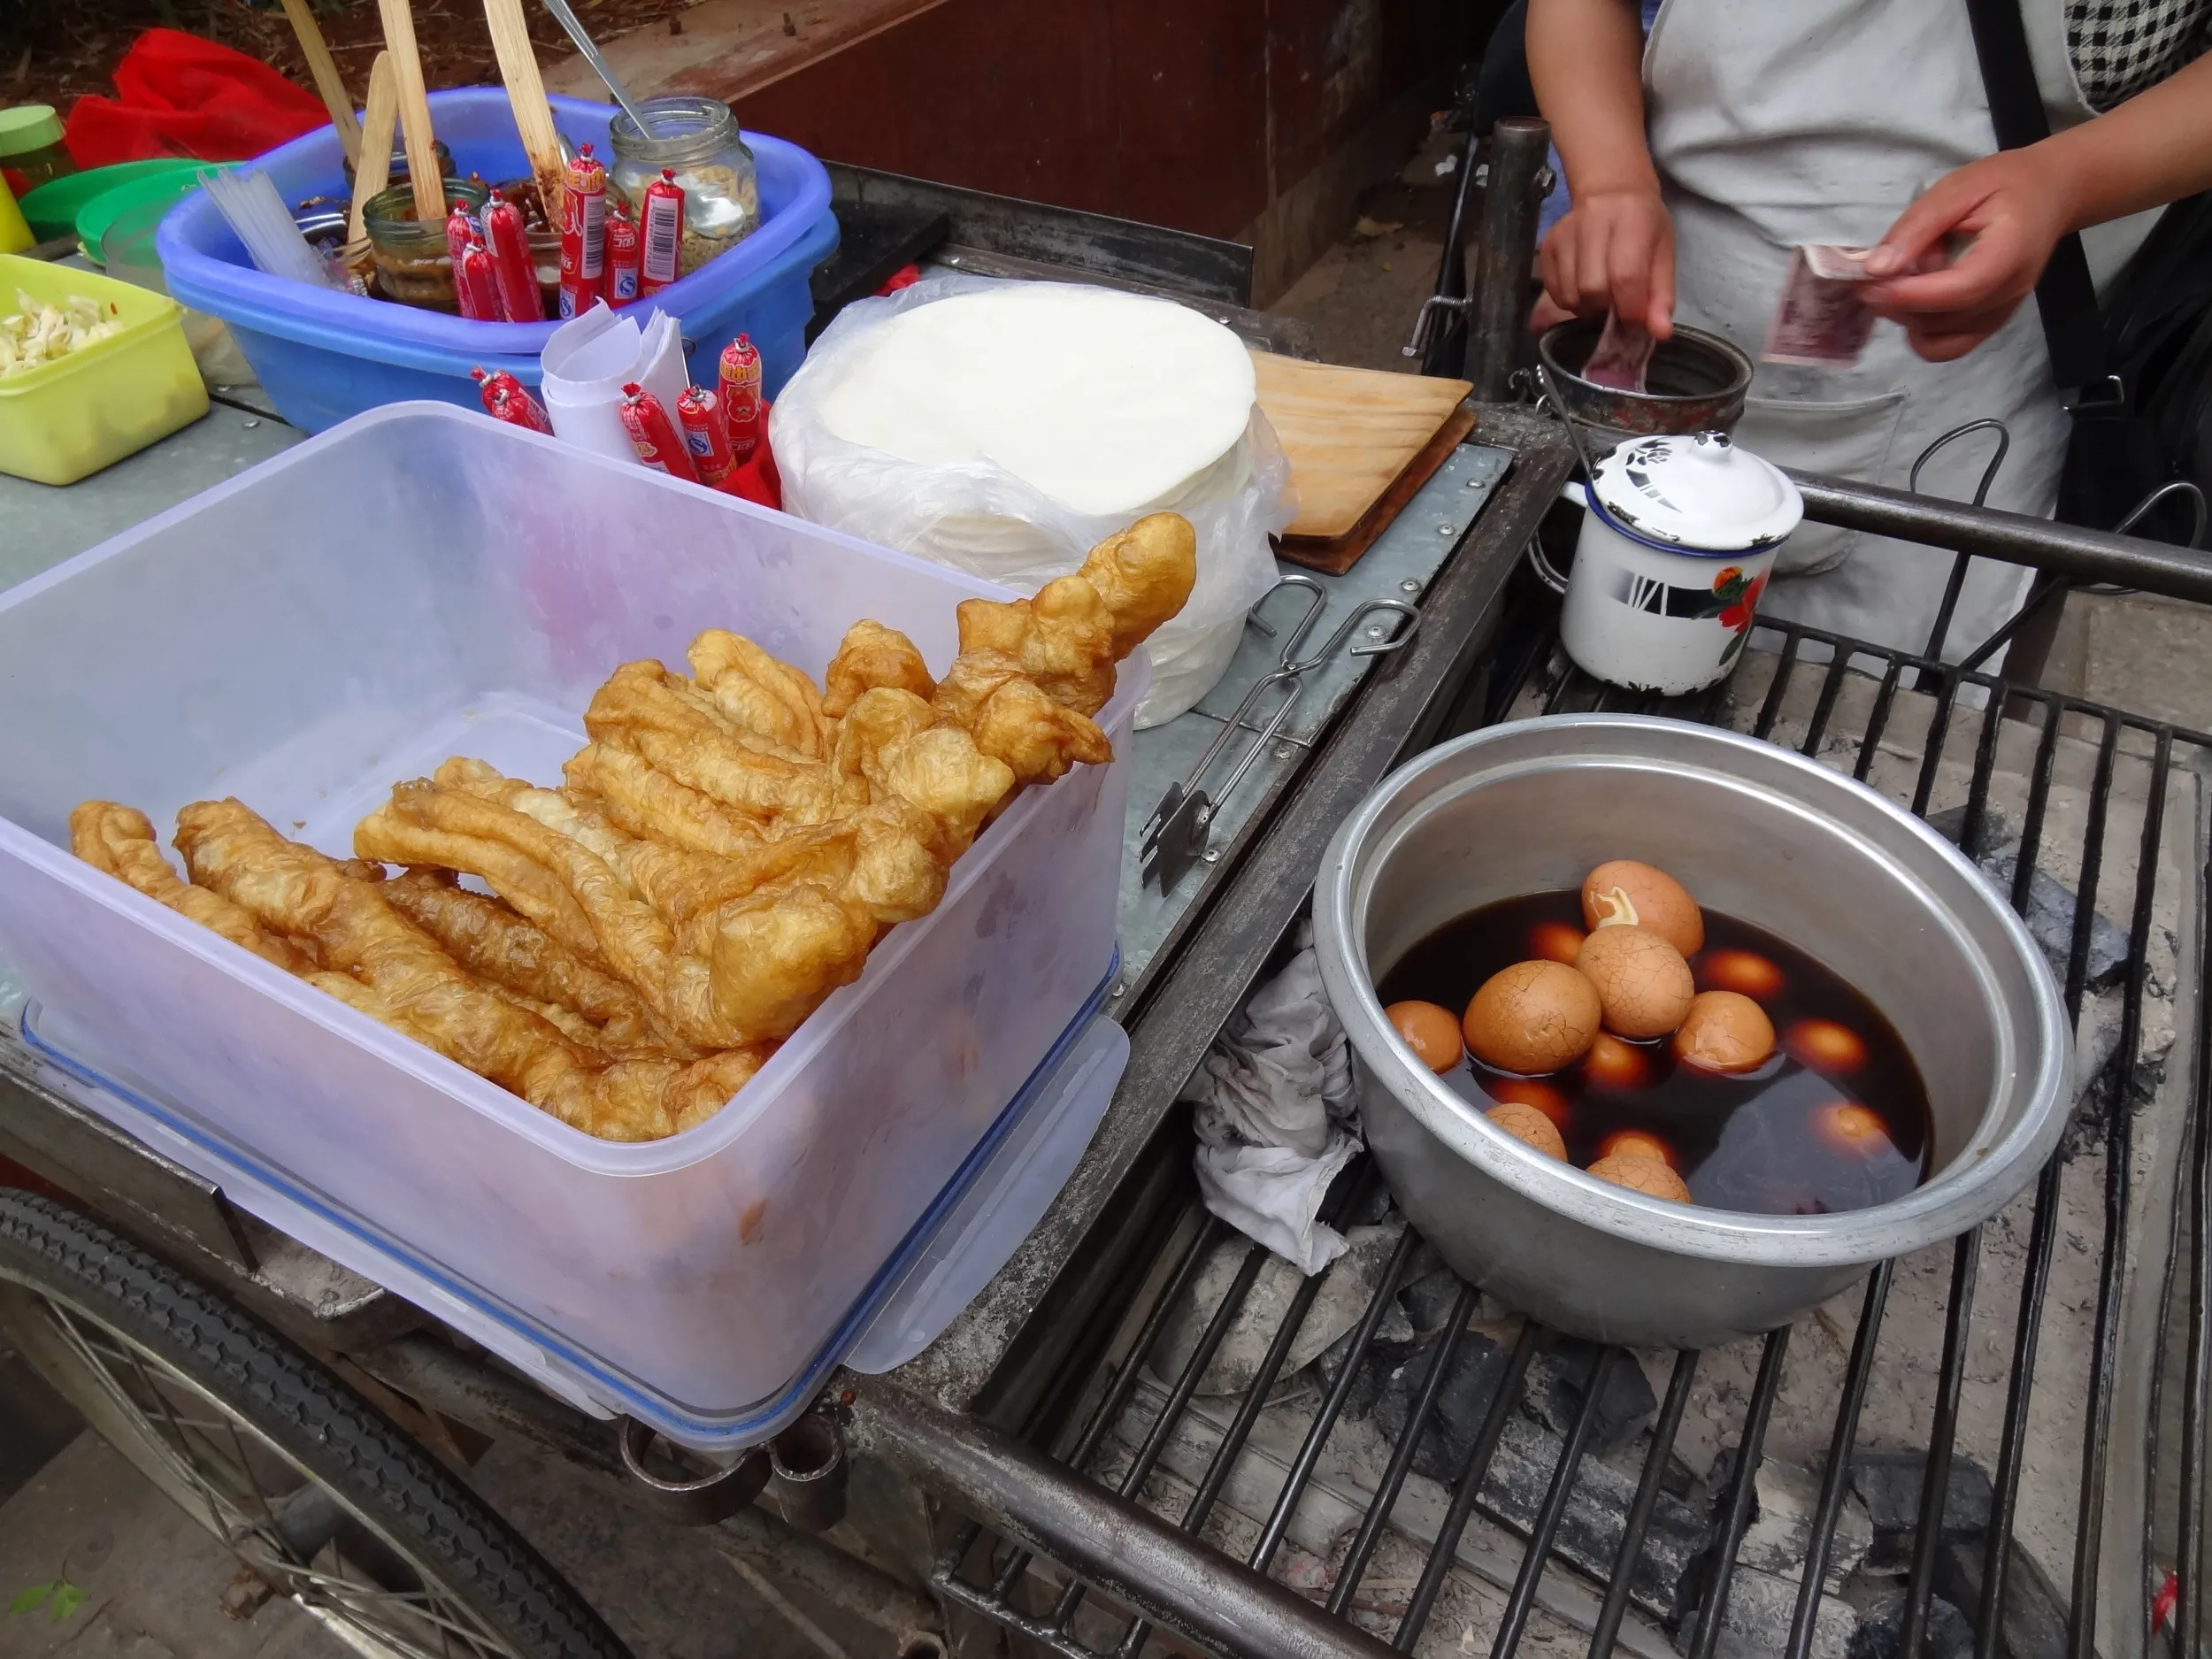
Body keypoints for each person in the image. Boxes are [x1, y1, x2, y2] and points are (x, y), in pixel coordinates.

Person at [1525, 0, 2212, 664]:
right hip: (1682, 292)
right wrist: (1611, 183)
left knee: (1871, 691)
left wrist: (2067, 182)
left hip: (1966, 383)